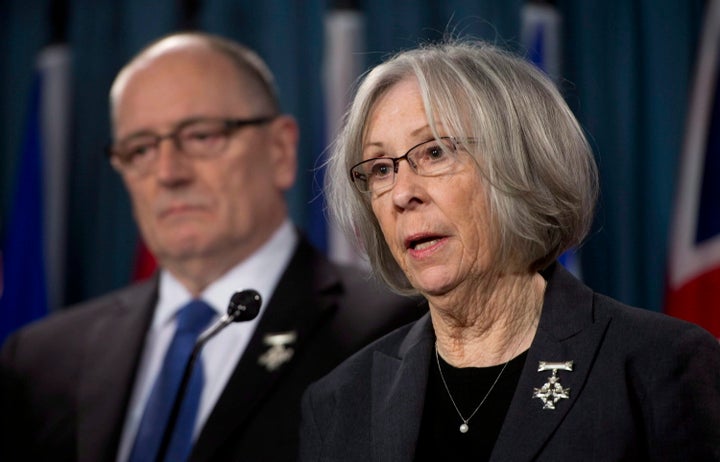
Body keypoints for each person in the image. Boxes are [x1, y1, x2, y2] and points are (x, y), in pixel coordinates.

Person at [0, 32, 421, 462]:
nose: (168, 173)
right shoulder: (40, 359)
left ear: (280, 150)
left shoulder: (397, 330)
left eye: (201, 136)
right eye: (140, 148)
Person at [299, 39, 720, 461]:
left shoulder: (658, 366)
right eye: (380, 169)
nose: (401, 194)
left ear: (522, 165)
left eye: (434, 152)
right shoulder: (340, 403)